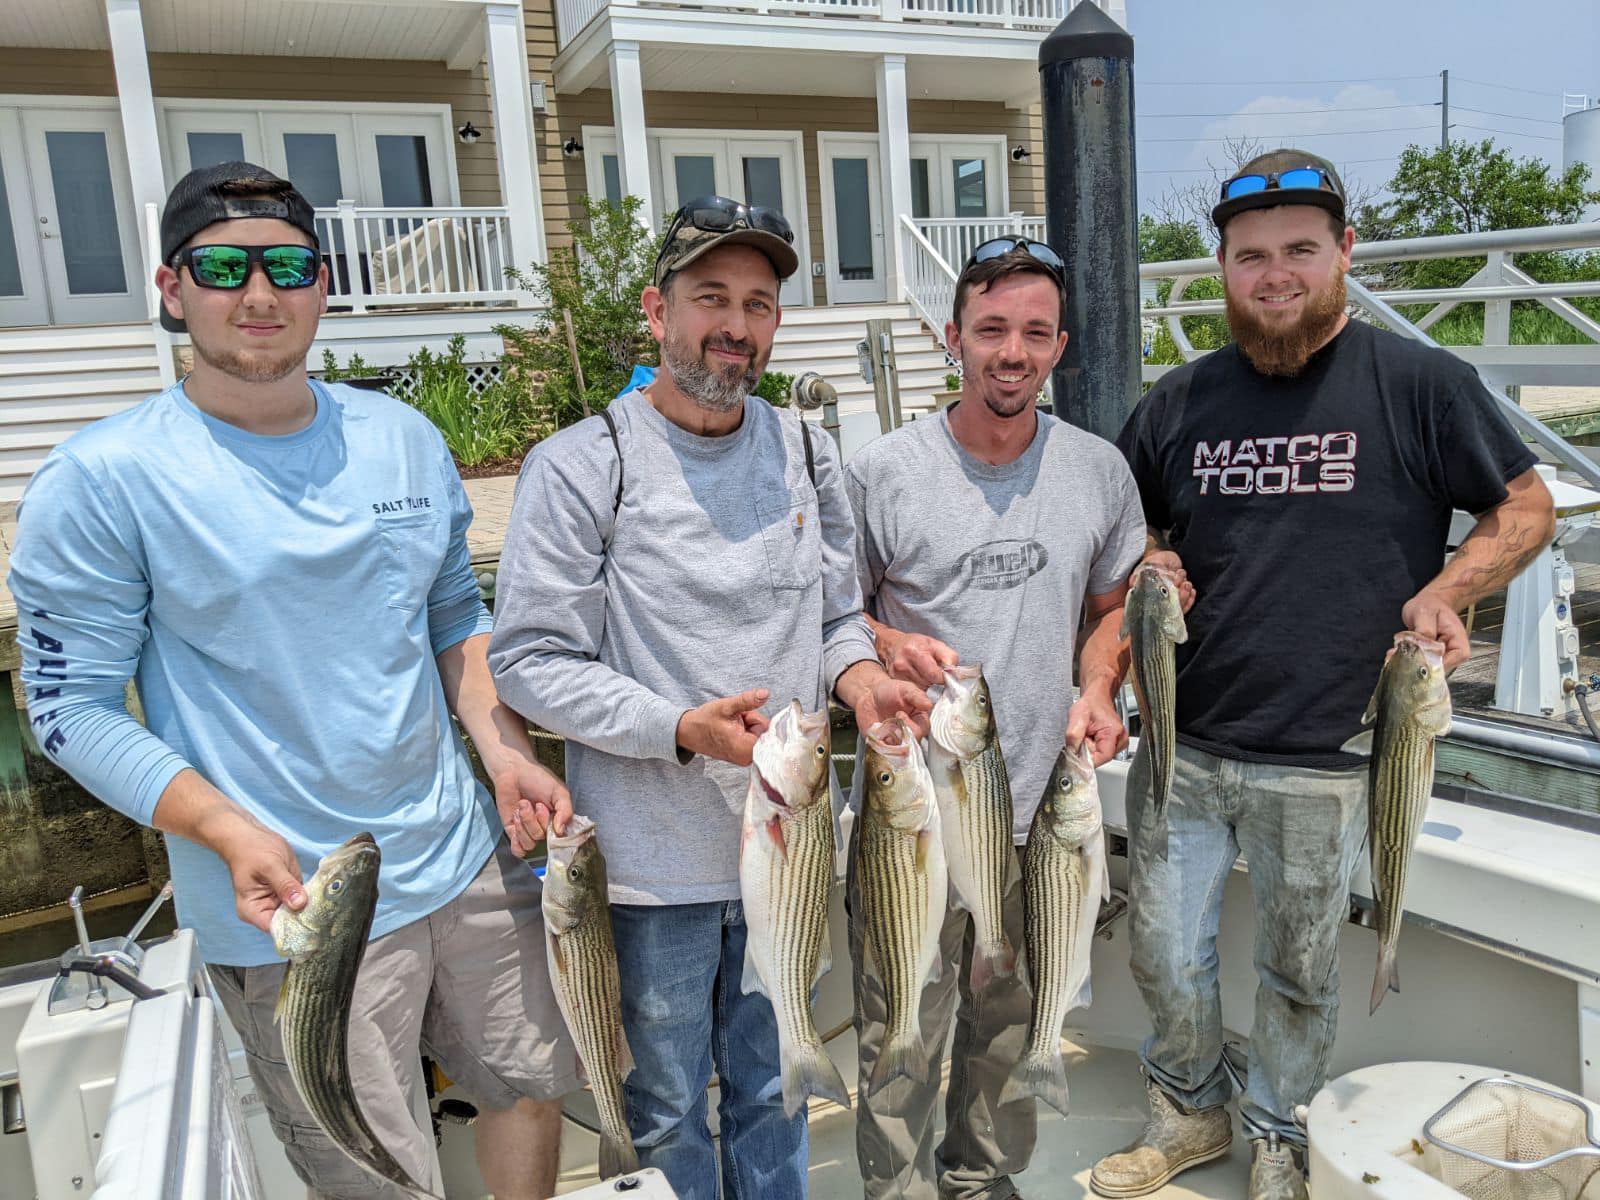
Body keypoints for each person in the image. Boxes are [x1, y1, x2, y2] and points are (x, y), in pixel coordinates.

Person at [7, 162, 579, 1200]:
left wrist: (504, 753)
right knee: (373, 1170)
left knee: (526, 1086)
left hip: (462, 859)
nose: (259, 294)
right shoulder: (100, 480)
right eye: (223, 267)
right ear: (171, 288)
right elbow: (66, 712)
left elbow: (455, 617)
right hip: (288, 908)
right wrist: (225, 830)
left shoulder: (401, 438)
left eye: (288, 266)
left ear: (324, 284)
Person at [1091, 149, 1556, 1200]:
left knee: (1298, 973)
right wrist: (1146, 561)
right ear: (1221, 268)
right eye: (1249, 256)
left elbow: (1524, 507)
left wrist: (1453, 589)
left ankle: (1278, 1129)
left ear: (1345, 251)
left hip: (1331, 756)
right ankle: (1187, 1111)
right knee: (1164, 955)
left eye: (1299, 249)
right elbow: (1124, 533)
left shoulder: (1422, 383)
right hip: (1185, 747)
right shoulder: (1176, 402)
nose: (1274, 274)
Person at [487, 194, 929, 1200]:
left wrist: (861, 678)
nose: (735, 324)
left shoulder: (811, 454)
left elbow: (832, 619)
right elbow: (529, 661)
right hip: (650, 877)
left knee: (776, 1089)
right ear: (656, 310)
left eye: (759, 304)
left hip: (791, 851)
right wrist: (675, 729)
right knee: (667, 1109)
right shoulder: (580, 464)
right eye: (709, 297)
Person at [842, 239, 1147, 1199]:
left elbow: (1116, 606)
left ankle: (982, 1180)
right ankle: (895, 1192)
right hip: (915, 827)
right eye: (991, 331)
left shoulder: (1099, 469)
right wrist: (884, 645)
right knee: (904, 1033)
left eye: (1033, 332)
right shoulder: (883, 471)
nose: (1011, 352)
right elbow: (828, 616)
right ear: (954, 339)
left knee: (1010, 1032)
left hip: (1043, 821)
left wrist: (1098, 689)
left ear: (1059, 344)